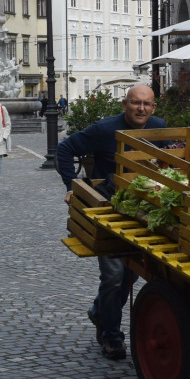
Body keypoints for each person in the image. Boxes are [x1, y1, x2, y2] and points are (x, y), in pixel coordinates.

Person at [56, 84, 166, 360]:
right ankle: (112, 337)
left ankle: (99, 312)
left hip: (145, 214)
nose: (141, 108)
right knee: (115, 277)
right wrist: (72, 185)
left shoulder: (160, 128)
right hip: (110, 212)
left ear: (154, 108)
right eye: (135, 103)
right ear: (124, 104)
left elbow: (167, 164)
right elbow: (65, 149)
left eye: (146, 104)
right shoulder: (105, 129)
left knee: (132, 274)